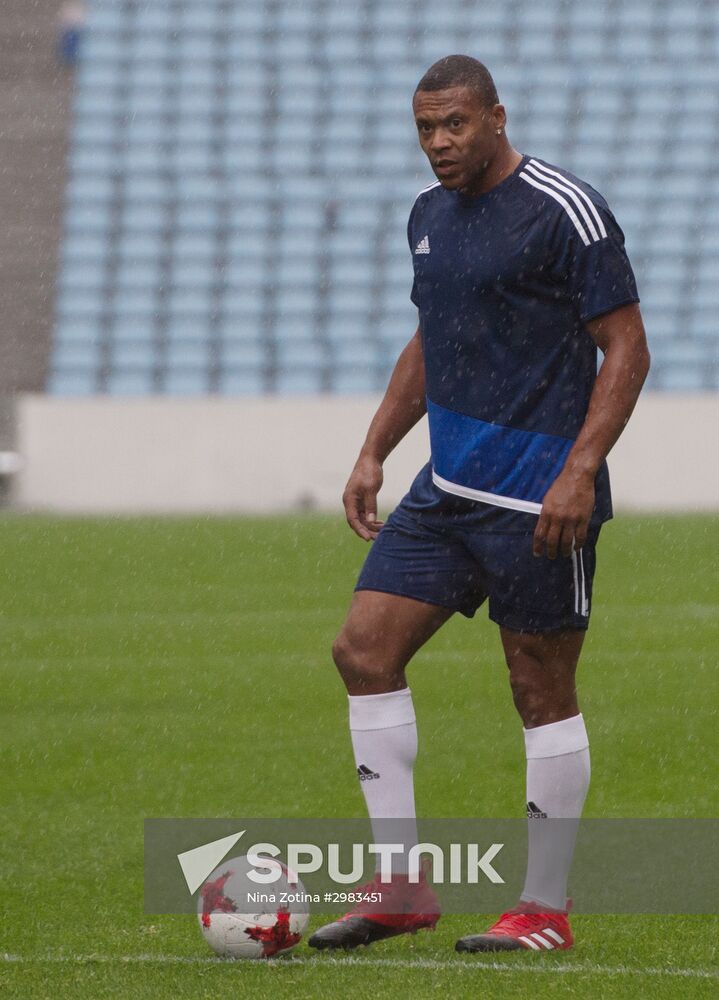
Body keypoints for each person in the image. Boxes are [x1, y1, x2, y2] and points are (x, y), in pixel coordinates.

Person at [308, 54, 650, 954]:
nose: (438, 144)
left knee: (538, 689)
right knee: (361, 649)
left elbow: (626, 348)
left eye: (454, 124)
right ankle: (399, 888)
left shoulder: (562, 209)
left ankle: (542, 909)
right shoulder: (427, 217)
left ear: (496, 117)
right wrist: (374, 449)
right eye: (425, 128)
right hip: (446, 490)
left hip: (540, 496)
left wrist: (579, 471)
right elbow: (431, 338)